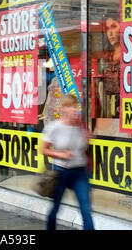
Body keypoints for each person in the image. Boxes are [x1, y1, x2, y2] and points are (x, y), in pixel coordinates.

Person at [41, 94, 94, 230]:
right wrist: (60, 154)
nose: (75, 109)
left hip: (80, 172)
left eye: (76, 106)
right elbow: (43, 150)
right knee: (56, 208)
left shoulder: (81, 126)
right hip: (61, 172)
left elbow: (83, 148)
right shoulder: (54, 127)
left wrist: (87, 138)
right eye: (71, 107)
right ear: (63, 109)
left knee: (85, 209)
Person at [102, 13, 121, 118]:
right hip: (110, 108)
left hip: (128, 106)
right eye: (107, 28)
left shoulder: (131, 54)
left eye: (114, 26)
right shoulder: (107, 54)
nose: (110, 32)